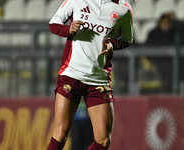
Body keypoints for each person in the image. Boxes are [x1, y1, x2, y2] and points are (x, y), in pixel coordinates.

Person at [46, 0, 133, 149]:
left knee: (103, 140)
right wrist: (68, 29)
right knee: (60, 134)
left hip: (98, 79)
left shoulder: (124, 8)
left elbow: (127, 39)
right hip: (71, 74)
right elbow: (53, 24)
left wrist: (113, 45)